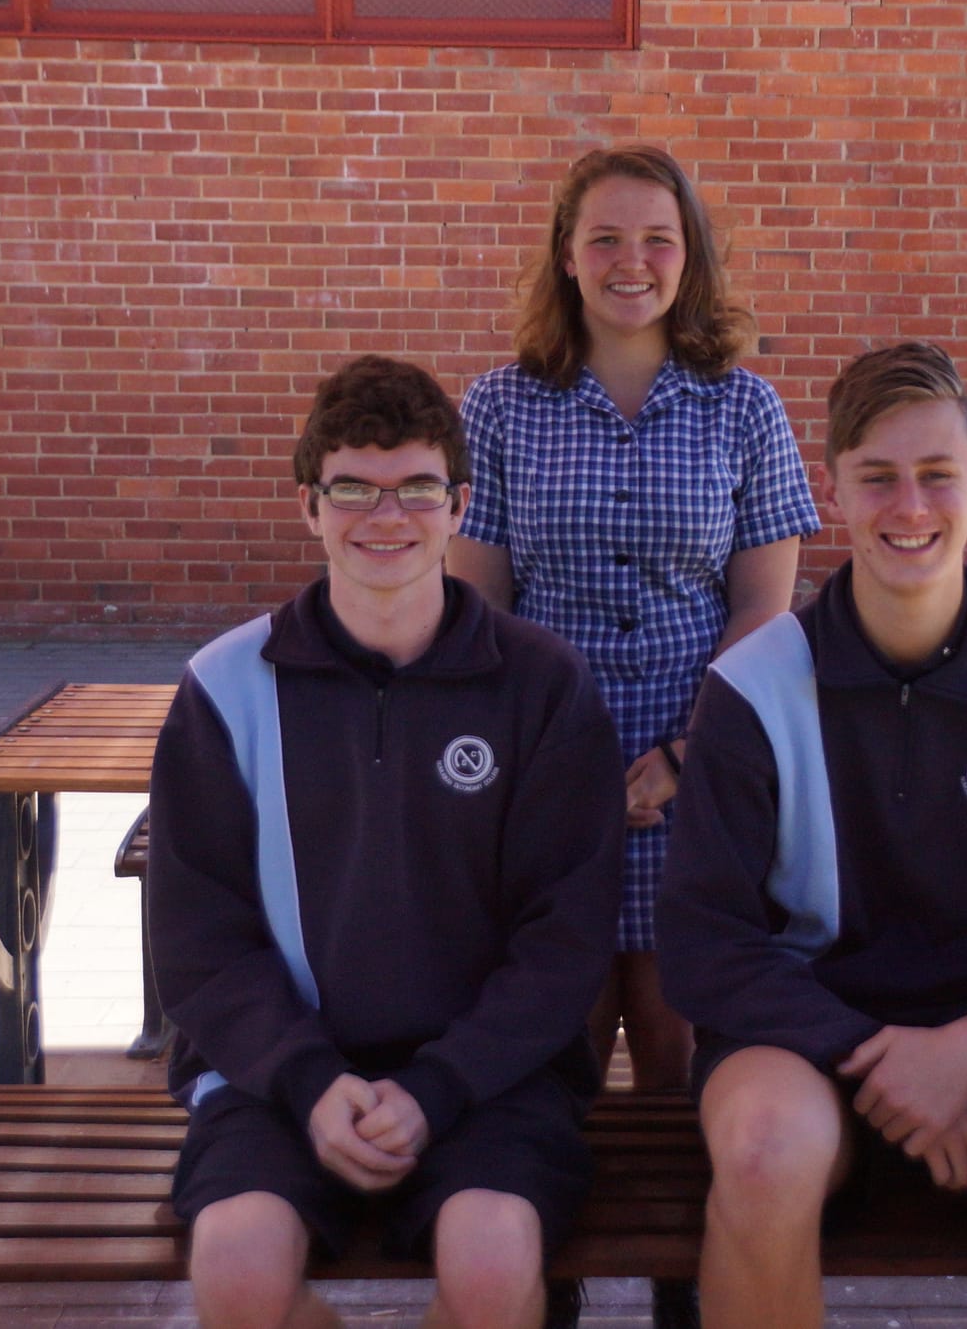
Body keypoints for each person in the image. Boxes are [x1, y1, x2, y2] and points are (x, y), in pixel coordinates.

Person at [657, 342, 967, 1329]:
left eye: (937, 476)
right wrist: (879, 1056)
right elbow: (704, 938)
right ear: (828, 487)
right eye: (877, 477)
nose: (910, 507)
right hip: (800, 1049)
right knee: (761, 1157)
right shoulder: (751, 688)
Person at [146, 355, 624, 1329]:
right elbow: (198, 938)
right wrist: (312, 1082)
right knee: (236, 1272)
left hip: (489, 1076)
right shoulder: (225, 688)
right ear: (308, 505)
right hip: (283, 1073)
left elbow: (564, 936)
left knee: (490, 1273)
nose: (385, 516)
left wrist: (440, 1084)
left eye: (415, 488)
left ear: (458, 505)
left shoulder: (542, 685)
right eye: (353, 488)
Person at [448, 144, 820, 1104]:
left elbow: (762, 611)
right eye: (605, 237)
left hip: (695, 789)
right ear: (566, 256)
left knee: (677, 1065)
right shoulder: (498, 406)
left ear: (688, 256)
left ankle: (680, 1262)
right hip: (543, 787)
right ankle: (553, 1258)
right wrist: (558, 772)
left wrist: (689, 754)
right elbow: (480, 611)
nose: (632, 260)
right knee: (549, 1064)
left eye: (659, 239)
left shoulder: (745, 409)